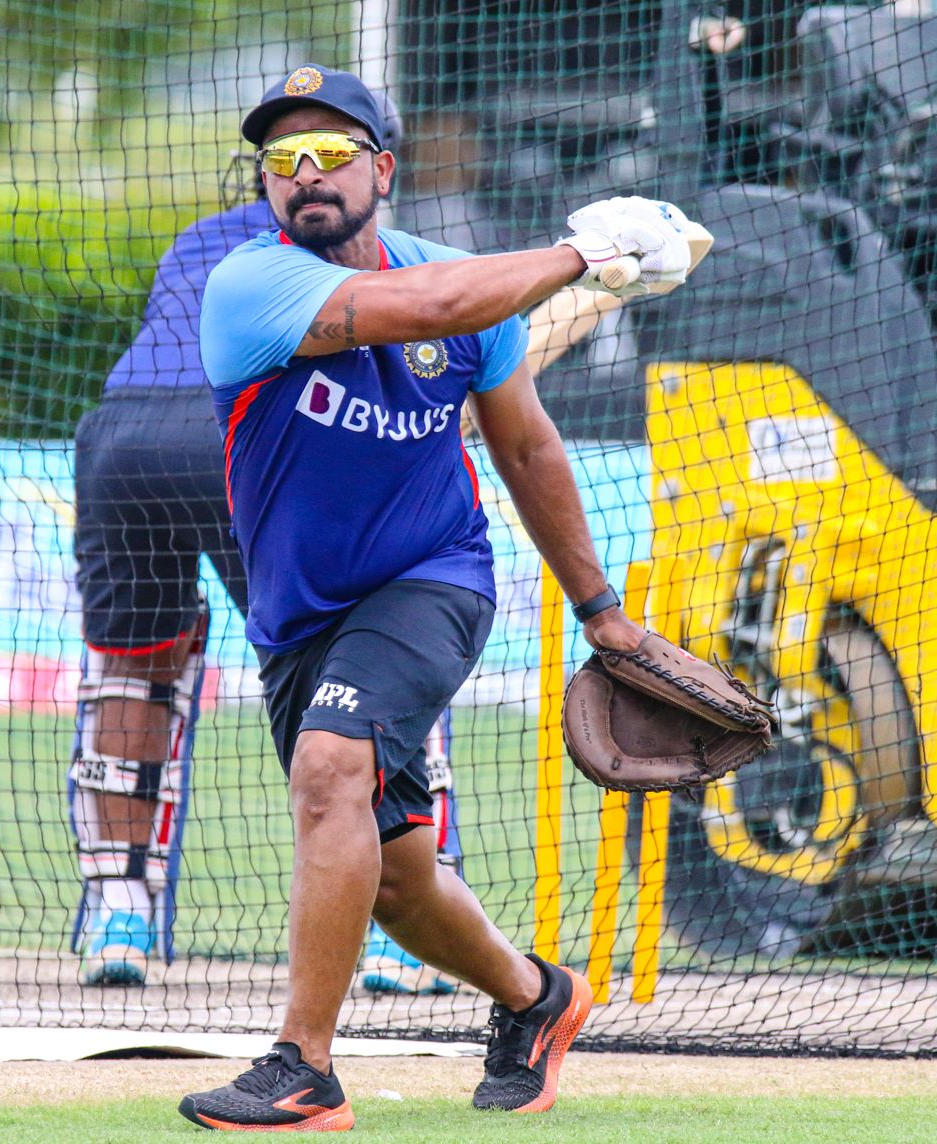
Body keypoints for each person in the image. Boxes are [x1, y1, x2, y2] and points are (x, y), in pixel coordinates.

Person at [179, 64, 691, 1129]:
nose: (304, 176)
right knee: (399, 878)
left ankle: (302, 1065)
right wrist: (581, 257)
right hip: (298, 619)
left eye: (330, 154)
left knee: (330, 768)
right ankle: (536, 999)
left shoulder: (463, 289)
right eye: (281, 161)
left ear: (383, 169)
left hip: (432, 579)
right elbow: (425, 304)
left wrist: (597, 607)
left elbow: (524, 444)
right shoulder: (250, 285)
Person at [66, 94, 461, 995]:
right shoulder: (351, 256)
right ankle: (406, 931)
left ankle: (117, 913)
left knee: (135, 666)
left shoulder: (205, 237)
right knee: (371, 658)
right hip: (225, 450)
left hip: (122, 444)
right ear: (384, 169)